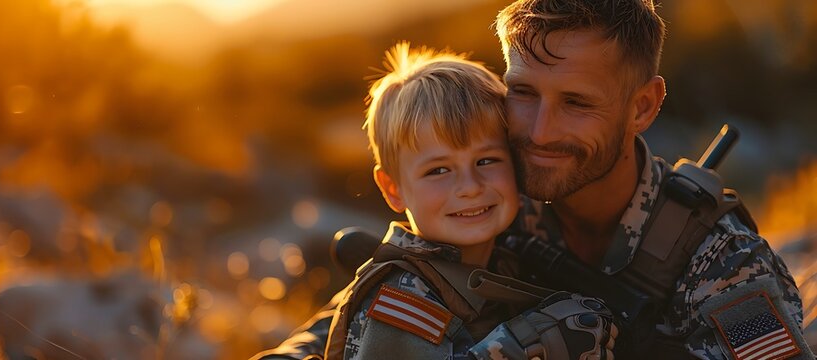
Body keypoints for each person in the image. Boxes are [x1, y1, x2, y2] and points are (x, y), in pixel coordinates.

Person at [256, 0, 812, 358]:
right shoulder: (492, 197)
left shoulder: (723, 265)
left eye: (576, 102)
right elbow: (373, 306)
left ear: (643, 106)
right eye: (523, 94)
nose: (540, 132)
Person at [257, 42, 616, 360]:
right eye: (438, 171)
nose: (470, 186)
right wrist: (526, 343)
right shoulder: (403, 304)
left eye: (486, 161)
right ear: (392, 188)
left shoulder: (498, 259)